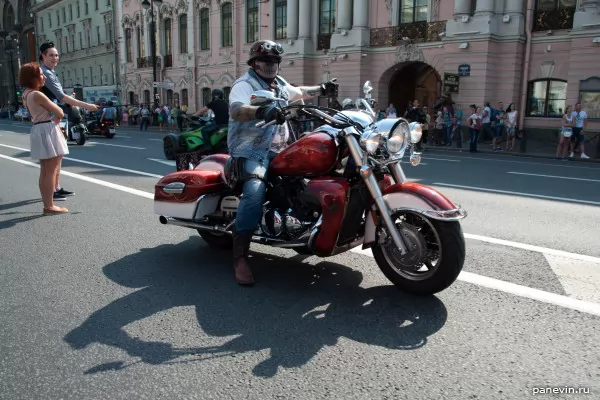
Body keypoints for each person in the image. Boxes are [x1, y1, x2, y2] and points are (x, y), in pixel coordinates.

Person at [227, 39, 337, 286]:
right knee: (255, 191)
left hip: (281, 149)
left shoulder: (278, 84)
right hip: (252, 151)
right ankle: (240, 257)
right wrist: (261, 111)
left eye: (274, 61)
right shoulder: (244, 84)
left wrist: (322, 88)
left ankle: (305, 227)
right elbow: (236, 109)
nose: (270, 65)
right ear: (255, 63)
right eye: (265, 61)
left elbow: (297, 92)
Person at [38, 42, 98, 201]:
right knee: (52, 159)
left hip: (55, 119)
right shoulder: (45, 73)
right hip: (49, 120)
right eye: (51, 55)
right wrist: (87, 106)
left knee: (58, 156)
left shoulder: (50, 72)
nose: (55, 58)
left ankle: (56, 188)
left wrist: (67, 101)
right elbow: (61, 97)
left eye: (56, 55)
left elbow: (60, 96)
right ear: (43, 56)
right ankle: (52, 192)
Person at [19, 62, 69, 215]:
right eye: (41, 74)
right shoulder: (37, 94)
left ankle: (48, 204)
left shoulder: (26, 93)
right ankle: (49, 206)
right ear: (33, 77)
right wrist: (57, 117)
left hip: (38, 128)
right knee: (51, 170)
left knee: (45, 170)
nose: (43, 77)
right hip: (47, 128)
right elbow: (59, 111)